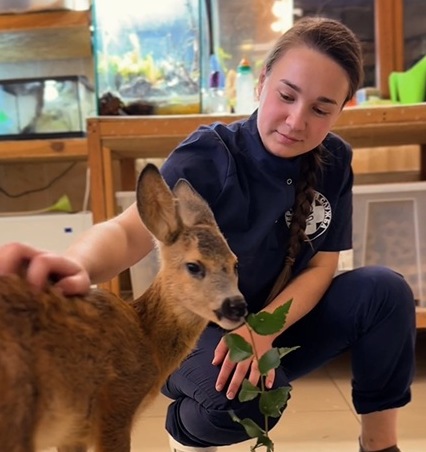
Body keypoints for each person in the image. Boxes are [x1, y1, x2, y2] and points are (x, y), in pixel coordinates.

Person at [0, 16, 416, 452]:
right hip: (200, 330)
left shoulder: (334, 159)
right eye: (286, 96)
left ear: (343, 108)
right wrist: (76, 266)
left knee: (386, 292)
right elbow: (128, 231)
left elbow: (321, 266)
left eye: (320, 109)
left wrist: (259, 332)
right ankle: (186, 430)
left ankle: (379, 445)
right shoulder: (209, 155)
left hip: (272, 319)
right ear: (262, 83)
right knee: (247, 403)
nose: (296, 121)